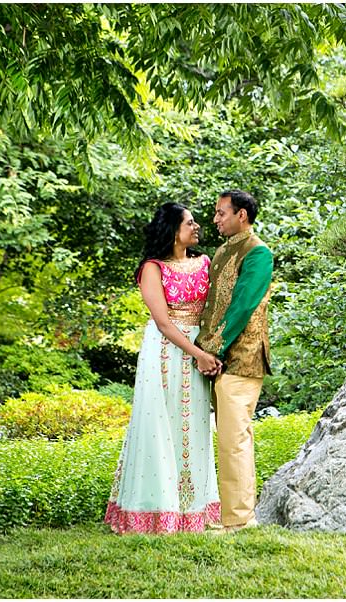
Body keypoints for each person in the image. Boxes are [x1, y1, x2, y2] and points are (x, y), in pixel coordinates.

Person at [105, 202, 223, 534]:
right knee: (160, 426)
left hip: (199, 348)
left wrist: (210, 349)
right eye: (190, 222)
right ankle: (156, 511)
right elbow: (163, 323)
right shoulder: (152, 268)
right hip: (165, 354)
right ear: (173, 230)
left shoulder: (204, 263)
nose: (197, 226)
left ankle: (192, 511)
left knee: (194, 430)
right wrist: (197, 354)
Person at [197, 189, 273, 533]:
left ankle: (240, 520)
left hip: (241, 358)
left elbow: (243, 306)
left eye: (221, 213)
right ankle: (226, 515)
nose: (215, 219)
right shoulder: (223, 251)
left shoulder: (258, 253)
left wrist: (212, 347)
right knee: (224, 439)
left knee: (234, 440)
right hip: (216, 359)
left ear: (242, 215)